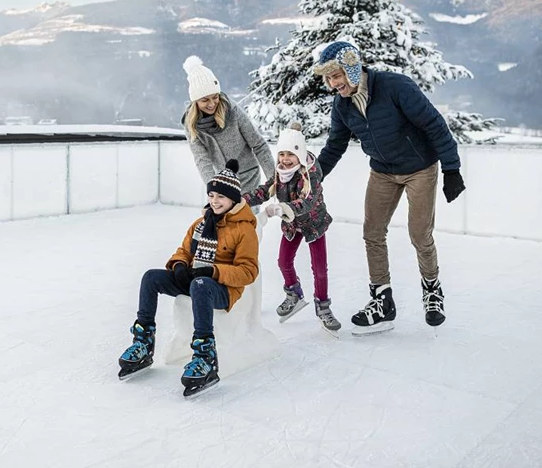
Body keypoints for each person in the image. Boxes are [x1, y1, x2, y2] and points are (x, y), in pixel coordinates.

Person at [313, 41, 466, 334]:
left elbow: (434, 124)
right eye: (329, 79)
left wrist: (452, 169)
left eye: (337, 76)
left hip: (420, 168)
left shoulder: (396, 87)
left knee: (419, 233)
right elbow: (335, 145)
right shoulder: (342, 105)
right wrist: (313, 178)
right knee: (372, 233)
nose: (333, 85)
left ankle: (432, 289)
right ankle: (382, 300)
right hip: (383, 172)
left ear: (352, 68)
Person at [117, 159, 259, 398]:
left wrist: (214, 271)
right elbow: (183, 251)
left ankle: (206, 356)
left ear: (233, 200)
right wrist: (180, 265)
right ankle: (143, 342)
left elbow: (248, 271)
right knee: (151, 277)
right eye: (212, 195)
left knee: (200, 284)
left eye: (221, 197)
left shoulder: (244, 229)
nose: (214, 201)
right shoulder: (200, 224)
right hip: (195, 279)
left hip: (222, 289)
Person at [243, 122, 340, 332]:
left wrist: (282, 208)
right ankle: (294, 293)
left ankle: (323, 306)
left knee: (319, 269)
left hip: (314, 224)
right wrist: (239, 200)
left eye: (290, 154)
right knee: (283, 261)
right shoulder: (280, 172)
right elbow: (263, 191)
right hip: (292, 224)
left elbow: (308, 201)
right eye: (282, 154)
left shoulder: (311, 174)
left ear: (300, 155)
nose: (285, 159)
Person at [182, 55, 275, 194]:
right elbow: (202, 160)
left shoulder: (232, 111)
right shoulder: (191, 125)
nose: (212, 103)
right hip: (223, 182)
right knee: (226, 216)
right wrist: (213, 189)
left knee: (247, 215)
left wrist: (273, 179)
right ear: (195, 101)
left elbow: (258, 144)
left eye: (215, 97)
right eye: (205, 100)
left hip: (248, 176)